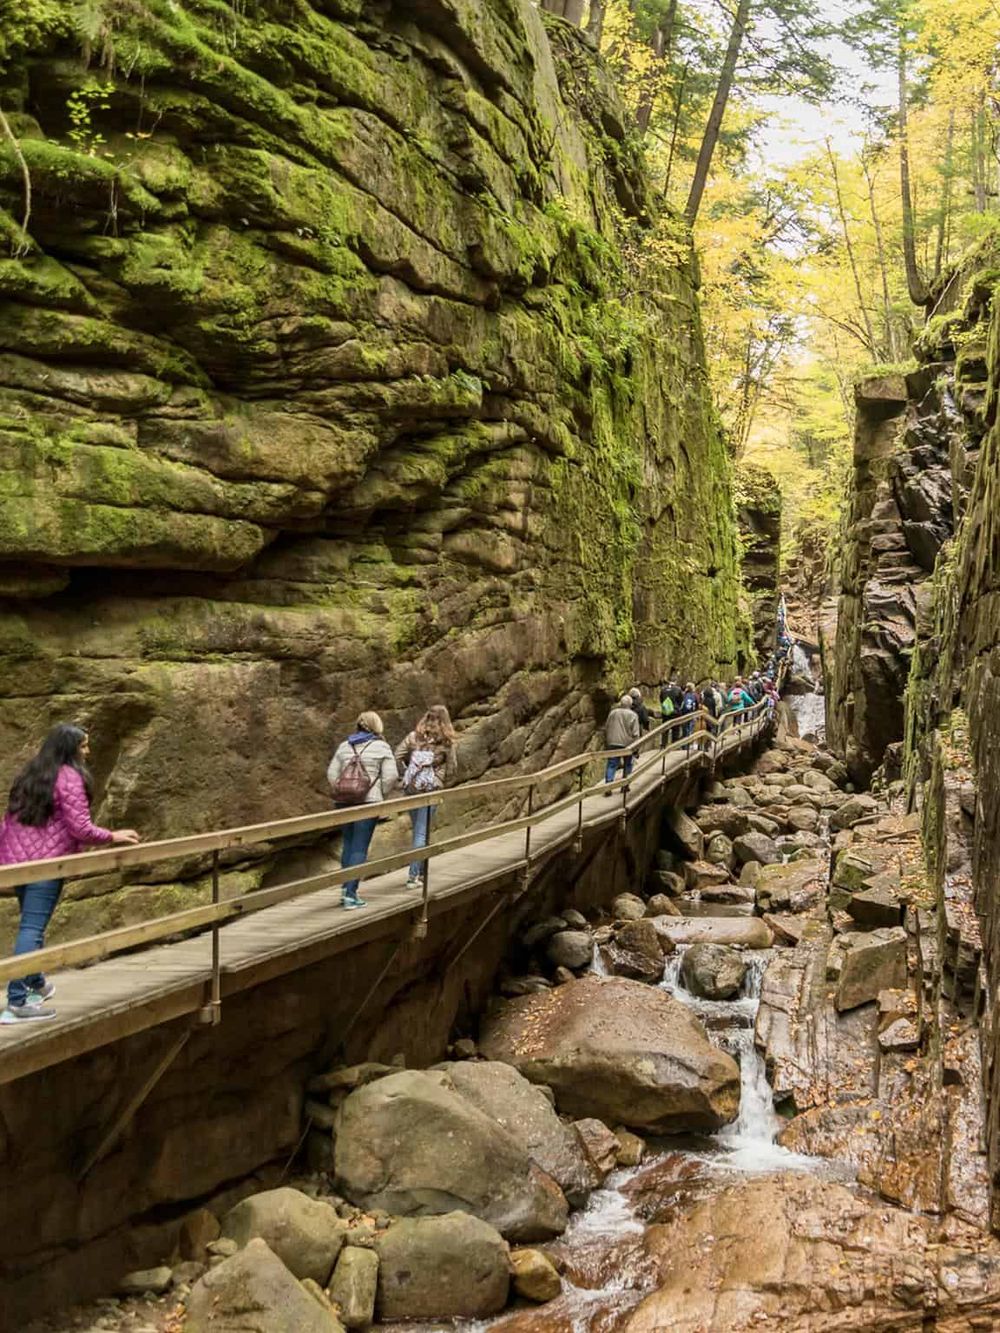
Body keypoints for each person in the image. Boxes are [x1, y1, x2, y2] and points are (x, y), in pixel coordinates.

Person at [0, 724, 140, 1025]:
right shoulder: (69, 777)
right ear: (69, 748)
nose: (87, 751)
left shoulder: (31, 773)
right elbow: (80, 827)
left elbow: (8, 822)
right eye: (83, 745)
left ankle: (35, 984)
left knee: (30, 926)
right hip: (47, 865)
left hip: (17, 864)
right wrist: (112, 836)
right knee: (32, 929)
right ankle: (16, 1002)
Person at [328, 711, 399, 910]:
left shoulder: (345, 746)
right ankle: (351, 895)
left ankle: (345, 889)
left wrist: (344, 790)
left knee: (348, 843)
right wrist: (379, 792)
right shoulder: (381, 747)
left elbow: (332, 773)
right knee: (359, 847)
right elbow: (392, 776)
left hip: (344, 802)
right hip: (368, 802)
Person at [395, 705, 458, 891]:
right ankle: (413, 876)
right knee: (422, 833)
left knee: (418, 831)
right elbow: (453, 768)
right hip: (431, 790)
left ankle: (421, 872)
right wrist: (441, 781)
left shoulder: (413, 736)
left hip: (412, 789)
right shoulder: (446, 742)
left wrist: (407, 774)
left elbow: (397, 756)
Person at [604, 694, 640, 785]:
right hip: (628, 744)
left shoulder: (613, 713)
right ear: (630, 704)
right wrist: (636, 748)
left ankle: (608, 785)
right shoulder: (633, 715)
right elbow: (635, 733)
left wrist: (607, 741)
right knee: (628, 764)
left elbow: (607, 727)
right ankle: (625, 784)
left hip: (613, 742)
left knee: (611, 764)